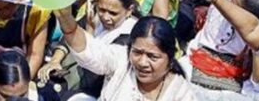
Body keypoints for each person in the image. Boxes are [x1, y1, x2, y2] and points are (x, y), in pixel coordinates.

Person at [55, 10, 196, 100]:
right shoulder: (122, 60)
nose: (142, 62)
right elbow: (90, 52)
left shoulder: (180, 93)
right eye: (137, 52)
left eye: (152, 57)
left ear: (170, 60)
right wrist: (66, 18)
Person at [42, 0, 139, 99]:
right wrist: (55, 61)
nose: (105, 17)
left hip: (95, 86)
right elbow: (70, 35)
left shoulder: (131, 34)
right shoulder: (94, 14)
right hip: (71, 72)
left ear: (129, 10)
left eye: (113, 13)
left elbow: (98, 65)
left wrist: (90, 30)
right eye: (102, 10)